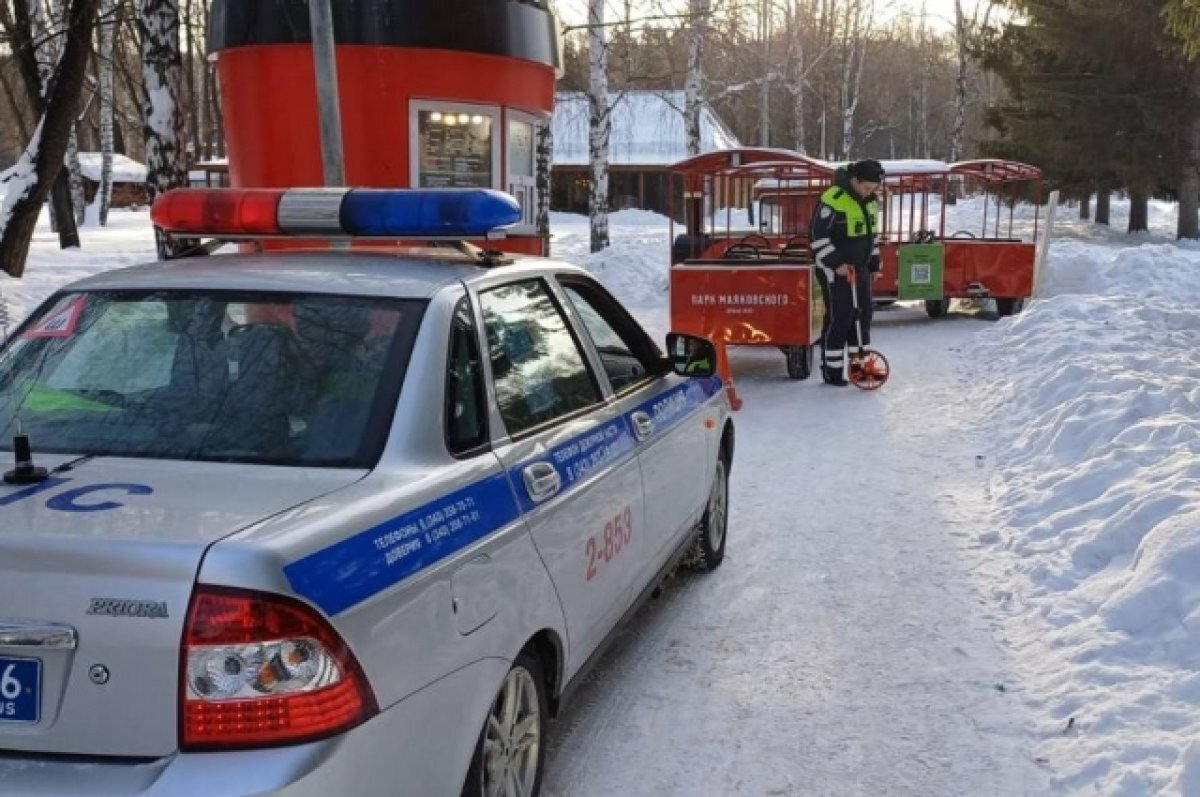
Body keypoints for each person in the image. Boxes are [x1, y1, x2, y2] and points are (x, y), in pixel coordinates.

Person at [809, 159, 884, 386]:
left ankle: (860, 368)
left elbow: (872, 236)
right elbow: (817, 237)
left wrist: (874, 263)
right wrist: (837, 264)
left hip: (860, 269)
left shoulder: (870, 201)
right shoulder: (833, 199)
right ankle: (831, 372)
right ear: (854, 180)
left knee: (863, 315)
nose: (869, 192)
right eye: (866, 187)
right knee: (841, 317)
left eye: (873, 189)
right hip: (836, 271)